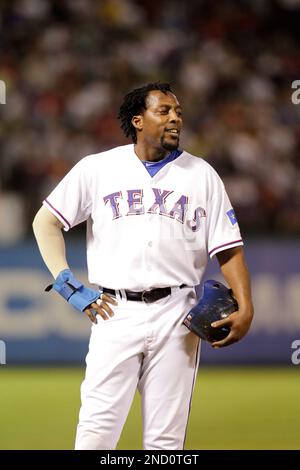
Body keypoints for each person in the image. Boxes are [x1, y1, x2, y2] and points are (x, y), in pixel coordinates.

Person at [32, 82, 254, 450]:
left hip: (177, 314)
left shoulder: (202, 175)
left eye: (178, 112)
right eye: (164, 111)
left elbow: (229, 249)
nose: (175, 118)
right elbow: (46, 222)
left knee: (165, 443)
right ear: (138, 120)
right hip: (113, 311)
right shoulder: (98, 168)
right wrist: (67, 283)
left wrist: (246, 307)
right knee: (95, 435)